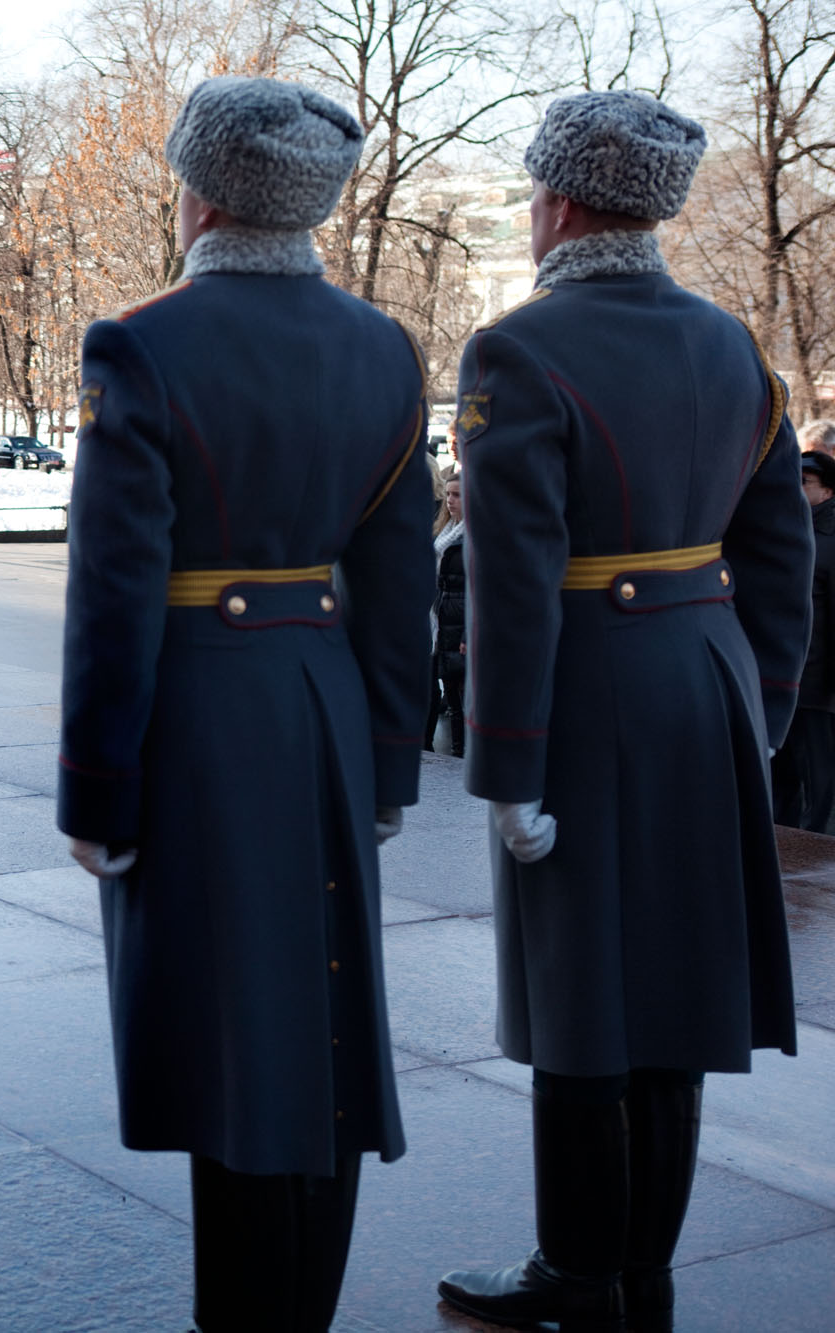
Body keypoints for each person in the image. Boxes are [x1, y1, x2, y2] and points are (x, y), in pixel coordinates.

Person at [58, 76, 435, 1332]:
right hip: (322, 706)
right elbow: (395, 587)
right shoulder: (383, 348)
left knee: (226, 1042)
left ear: (203, 191)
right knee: (315, 1028)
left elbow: (114, 593)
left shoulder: (141, 340)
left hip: (198, 721)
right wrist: (386, 768)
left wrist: (96, 794)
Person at [439, 91, 810, 1333]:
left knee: (579, 993)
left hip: (583, 695)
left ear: (554, 201)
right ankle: (639, 1265)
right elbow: (776, 554)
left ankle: (576, 1267)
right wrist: (753, 704)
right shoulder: (732, 348)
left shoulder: (516, 351)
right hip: (704, 685)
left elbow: (510, 581)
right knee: (674, 994)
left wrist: (506, 765)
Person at [773, 450, 835, 829]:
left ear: (828, 491)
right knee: (782, 780)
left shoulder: (830, 539)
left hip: (817, 686)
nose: (795, 488)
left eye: (805, 482)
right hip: (782, 680)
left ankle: (816, 869)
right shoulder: (784, 528)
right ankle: (784, 863)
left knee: (819, 783)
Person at [426, 470, 466, 756]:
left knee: (461, 698)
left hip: (459, 620)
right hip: (438, 619)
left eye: (458, 495)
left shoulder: (474, 536)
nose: (450, 501)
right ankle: (447, 751)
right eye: (449, 494)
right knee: (444, 693)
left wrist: (467, 631)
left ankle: (461, 755)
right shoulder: (445, 529)